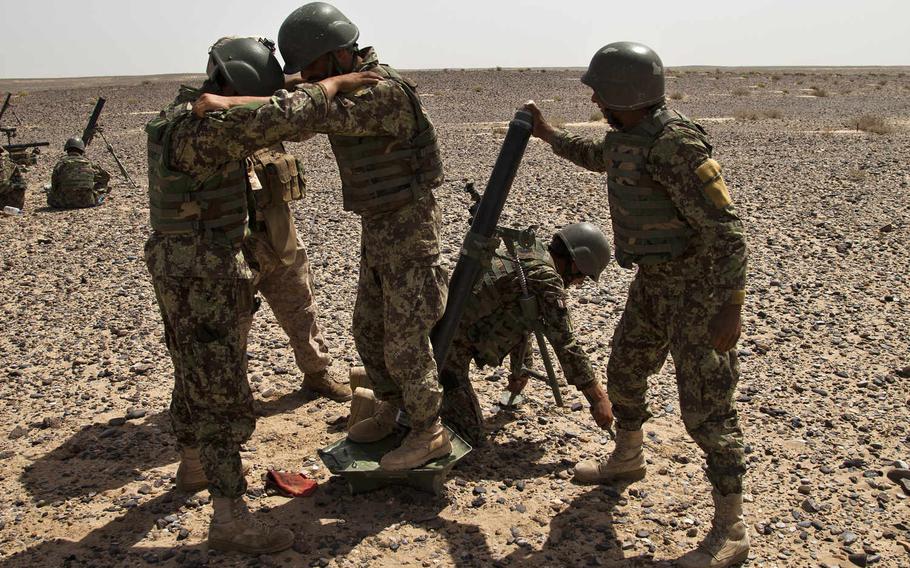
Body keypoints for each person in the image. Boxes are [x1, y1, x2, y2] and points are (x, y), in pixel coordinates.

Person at [144, 35, 377, 554]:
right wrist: (335, 83)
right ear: (233, 85)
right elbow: (281, 119)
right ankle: (230, 519)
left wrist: (293, 81)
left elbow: (265, 105)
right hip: (206, 277)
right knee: (224, 395)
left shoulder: (181, 113)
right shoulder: (205, 127)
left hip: (180, 269)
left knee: (193, 372)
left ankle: (193, 465)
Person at [196, 2, 451, 471]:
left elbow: (303, 117)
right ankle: (393, 409)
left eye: (312, 66)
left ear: (337, 55)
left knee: (405, 338)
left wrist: (229, 103)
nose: (308, 75)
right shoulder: (343, 78)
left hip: (410, 227)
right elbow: (300, 93)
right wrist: (275, 85)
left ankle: (427, 431)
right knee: (368, 328)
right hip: (379, 225)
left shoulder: (381, 92)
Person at [524, 42, 750, 568]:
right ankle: (627, 457)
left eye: (601, 90)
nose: (596, 99)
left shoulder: (675, 146)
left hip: (698, 292)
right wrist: (549, 133)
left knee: (707, 411)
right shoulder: (628, 138)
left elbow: (729, 232)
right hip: (652, 284)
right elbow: (594, 155)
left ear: (626, 92)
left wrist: (729, 307)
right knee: (624, 369)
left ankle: (730, 526)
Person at [439, 223, 614, 447]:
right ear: (576, 262)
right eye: (584, 277)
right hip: (447, 355)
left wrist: (520, 368)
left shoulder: (530, 251)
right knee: (470, 440)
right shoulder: (546, 279)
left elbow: (522, 314)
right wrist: (598, 397)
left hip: (444, 332)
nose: (580, 284)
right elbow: (565, 343)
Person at [245, 141, 352, 402]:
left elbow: (305, 125)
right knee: (230, 321)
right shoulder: (199, 122)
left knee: (301, 306)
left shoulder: (262, 115)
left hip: (277, 229)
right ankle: (232, 395)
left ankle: (317, 373)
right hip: (229, 242)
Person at [47, 137, 110, 209]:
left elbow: (54, 184)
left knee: (50, 195)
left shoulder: (61, 163)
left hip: (64, 203)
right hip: (87, 202)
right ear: (82, 150)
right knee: (102, 186)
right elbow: (105, 177)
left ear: (67, 150)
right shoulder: (88, 163)